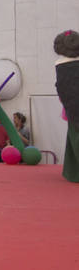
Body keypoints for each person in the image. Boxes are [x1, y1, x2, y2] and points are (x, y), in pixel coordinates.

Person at [54, 30, 79, 182]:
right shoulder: (63, 66)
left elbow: (63, 88)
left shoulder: (62, 66)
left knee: (74, 135)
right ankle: (73, 172)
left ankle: (73, 172)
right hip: (73, 106)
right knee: (74, 135)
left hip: (72, 107)